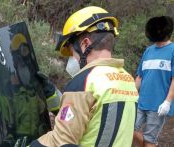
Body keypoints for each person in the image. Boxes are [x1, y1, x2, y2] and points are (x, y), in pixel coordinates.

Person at [30, 6, 139, 146]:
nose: (71, 59)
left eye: (71, 52)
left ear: (85, 44)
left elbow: (62, 141)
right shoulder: (127, 79)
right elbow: (87, 118)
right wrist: (52, 94)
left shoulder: (85, 82)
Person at [133, 16, 174, 147]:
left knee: (150, 140)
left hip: (159, 105)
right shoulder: (148, 51)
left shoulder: (173, 50)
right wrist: (130, 95)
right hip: (141, 102)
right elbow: (140, 76)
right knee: (128, 129)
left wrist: (167, 102)